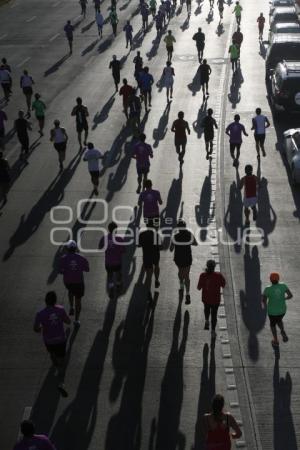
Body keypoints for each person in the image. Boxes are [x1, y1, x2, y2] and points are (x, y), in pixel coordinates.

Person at [34, 291, 71, 394]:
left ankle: (56, 364)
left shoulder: (40, 313)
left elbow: (36, 328)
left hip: (49, 341)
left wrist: (41, 327)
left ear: (46, 301)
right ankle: (60, 377)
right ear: (55, 300)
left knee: (52, 354)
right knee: (62, 359)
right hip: (60, 339)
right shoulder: (60, 309)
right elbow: (68, 321)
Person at [59, 240, 90, 327]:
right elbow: (87, 269)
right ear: (76, 248)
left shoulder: (63, 258)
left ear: (67, 249)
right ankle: (76, 320)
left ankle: (71, 307)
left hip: (68, 282)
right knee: (78, 300)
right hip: (79, 282)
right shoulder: (82, 258)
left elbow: (61, 271)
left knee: (70, 291)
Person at [262, 272, 293, 347]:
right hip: (282, 310)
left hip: (272, 311)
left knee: (272, 325)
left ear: (270, 280)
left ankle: (275, 340)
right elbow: (290, 295)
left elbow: (264, 301)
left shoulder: (267, 289)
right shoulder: (283, 286)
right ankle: (282, 330)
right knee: (279, 320)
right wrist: (284, 298)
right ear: (278, 279)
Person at [197, 260, 226, 338]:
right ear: (214, 267)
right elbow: (223, 284)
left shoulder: (203, 275)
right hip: (215, 299)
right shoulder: (219, 275)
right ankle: (213, 331)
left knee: (206, 309)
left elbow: (198, 287)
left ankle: (206, 320)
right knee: (214, 314)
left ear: (207, 266)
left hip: (206, 298)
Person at [171, 220, 197, 305]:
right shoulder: (188, 235)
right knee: (187, 275)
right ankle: (188, 293)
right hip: (187, 257)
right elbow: (195, 243)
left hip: (178, 258)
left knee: (180, 272)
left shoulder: (175, 236)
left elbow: (171, 249)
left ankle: (181, 285)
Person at [99, 222, 125, 298]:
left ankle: (111, 288)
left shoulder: (104, 238)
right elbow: (123, 250)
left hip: (108, 262)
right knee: (119, 274)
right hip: (117, 262)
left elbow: (100, 247)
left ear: (109, 229)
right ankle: (118, 285)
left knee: (110, 276)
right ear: (116, 230)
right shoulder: (119, 239)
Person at [138, 226, 161, 299]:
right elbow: (161, 247)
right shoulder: (157, 235)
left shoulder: (142, 234)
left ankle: (148, 292)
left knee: (148, 275)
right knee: (156, 266)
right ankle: (157, 280)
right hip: (155, 255)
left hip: (146, 255)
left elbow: (138, 245)